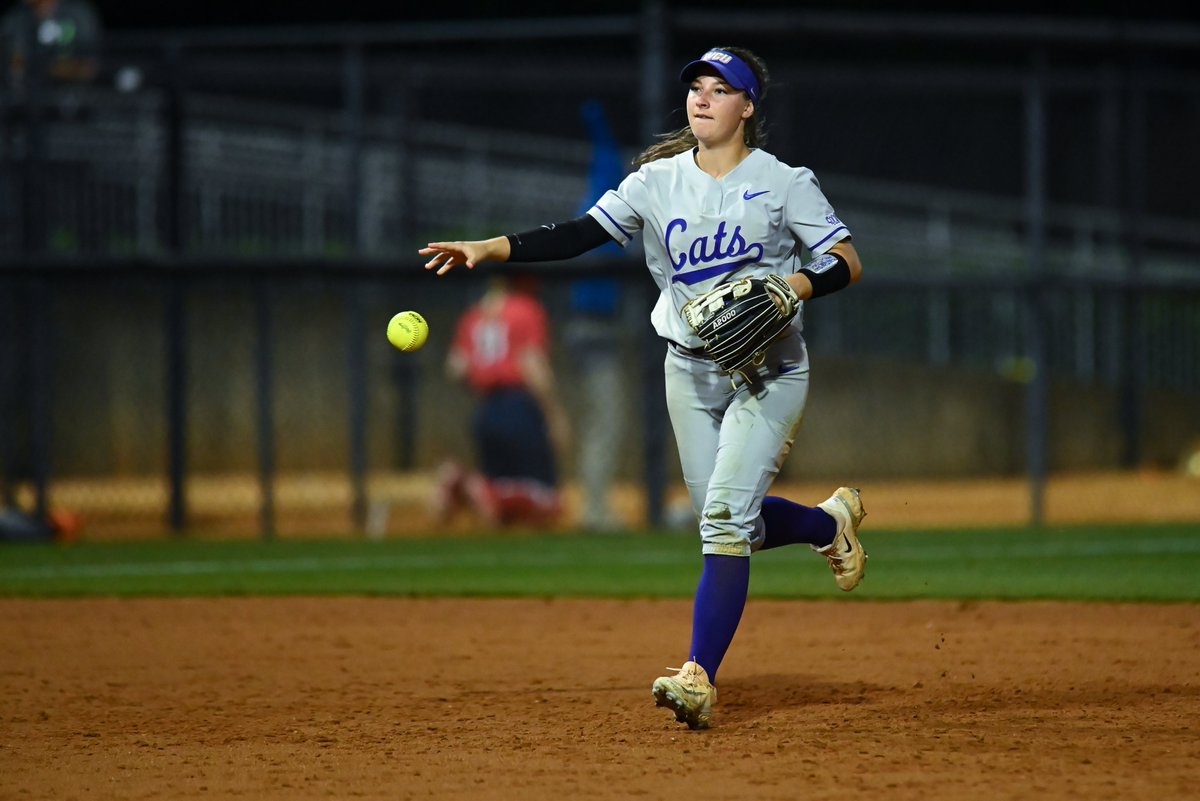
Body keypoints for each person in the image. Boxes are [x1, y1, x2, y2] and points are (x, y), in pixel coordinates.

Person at [419, 46, 867, 730]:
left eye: (721, 90)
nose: (703, 99)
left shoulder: (784, 182)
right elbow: (578, 235)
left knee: (721, 519)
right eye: (696, 87)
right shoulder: (654, 182)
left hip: (770, 371)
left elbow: (847, 260)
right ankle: (826, 523)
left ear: (748, 107)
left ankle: (698, 676)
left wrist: (797, 284)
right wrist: (490, 247)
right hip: (688, 368)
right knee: (731, 520)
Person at [435, 273, 569, 528]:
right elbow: (532, 366)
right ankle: (471, 486)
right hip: (519, 407)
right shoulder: (526, 309)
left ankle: (469, 486)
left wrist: (485, 379)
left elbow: (456, 368)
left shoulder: (474, 315)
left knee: (501, 508)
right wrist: (554, 415)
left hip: (486, 408)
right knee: (547, 502)